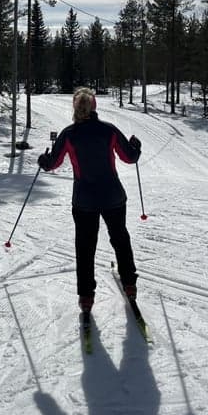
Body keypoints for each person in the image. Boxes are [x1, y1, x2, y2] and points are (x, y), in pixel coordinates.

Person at [37, 87, 142, 313]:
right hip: (113, 195)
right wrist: (136, 147)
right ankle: (130, 283)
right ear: (94, 107)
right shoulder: (109, 130)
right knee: (120, 238)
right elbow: (130, 157)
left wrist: (44, 160)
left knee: (85, 247)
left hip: (84, 200)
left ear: (75, 108)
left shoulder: (69, 134)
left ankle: (86, 296)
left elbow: (53, 163)